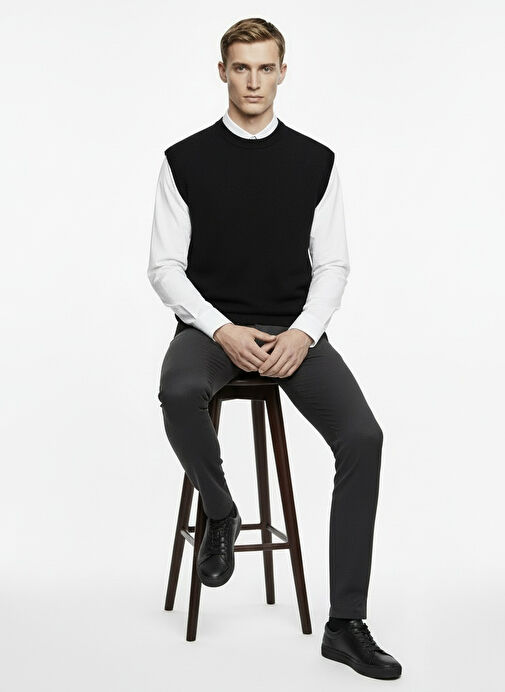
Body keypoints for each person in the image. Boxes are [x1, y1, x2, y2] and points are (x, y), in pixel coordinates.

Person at [147, 17, 402, 680]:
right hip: (210, 332)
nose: (253, 81)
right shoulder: (183, 160)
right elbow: (165, 268)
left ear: (283, 72)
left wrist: (302, 333)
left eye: (265, 68)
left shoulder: (316, 161)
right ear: (222, 72)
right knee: (177, 392)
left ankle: (345, 624)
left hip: (292, 332)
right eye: (241, 67)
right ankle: (222, 511)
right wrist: (221, 329)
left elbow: (333, 264)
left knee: (363, 437)